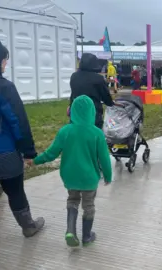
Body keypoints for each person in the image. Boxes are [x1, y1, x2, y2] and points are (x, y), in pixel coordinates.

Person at [33, 95, 112, 247]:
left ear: (72, 111)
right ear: (92, 113)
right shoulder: (97, 133)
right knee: (88, 206)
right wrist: (108, 176)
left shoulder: (65, 131)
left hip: (70, 177)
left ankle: (70, 231)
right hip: (89, 178)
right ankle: (87, 237)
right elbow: (104, 159)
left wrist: (35, 160)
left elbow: (51, 153)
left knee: (73, 200)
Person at [0, 40, 44, 237]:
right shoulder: (4, 88)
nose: (6, 64)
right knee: (15, 191)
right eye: (5, 60)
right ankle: (28, 226)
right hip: (4, 151)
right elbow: (18, 122)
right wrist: (28, 152)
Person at [69, 53, 115, 129]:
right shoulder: (98, 78)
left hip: (76, 111)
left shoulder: (74, 76)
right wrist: (111, 103)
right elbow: (106, 97)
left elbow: (73, 93)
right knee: (94, 134)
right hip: (93, 113)